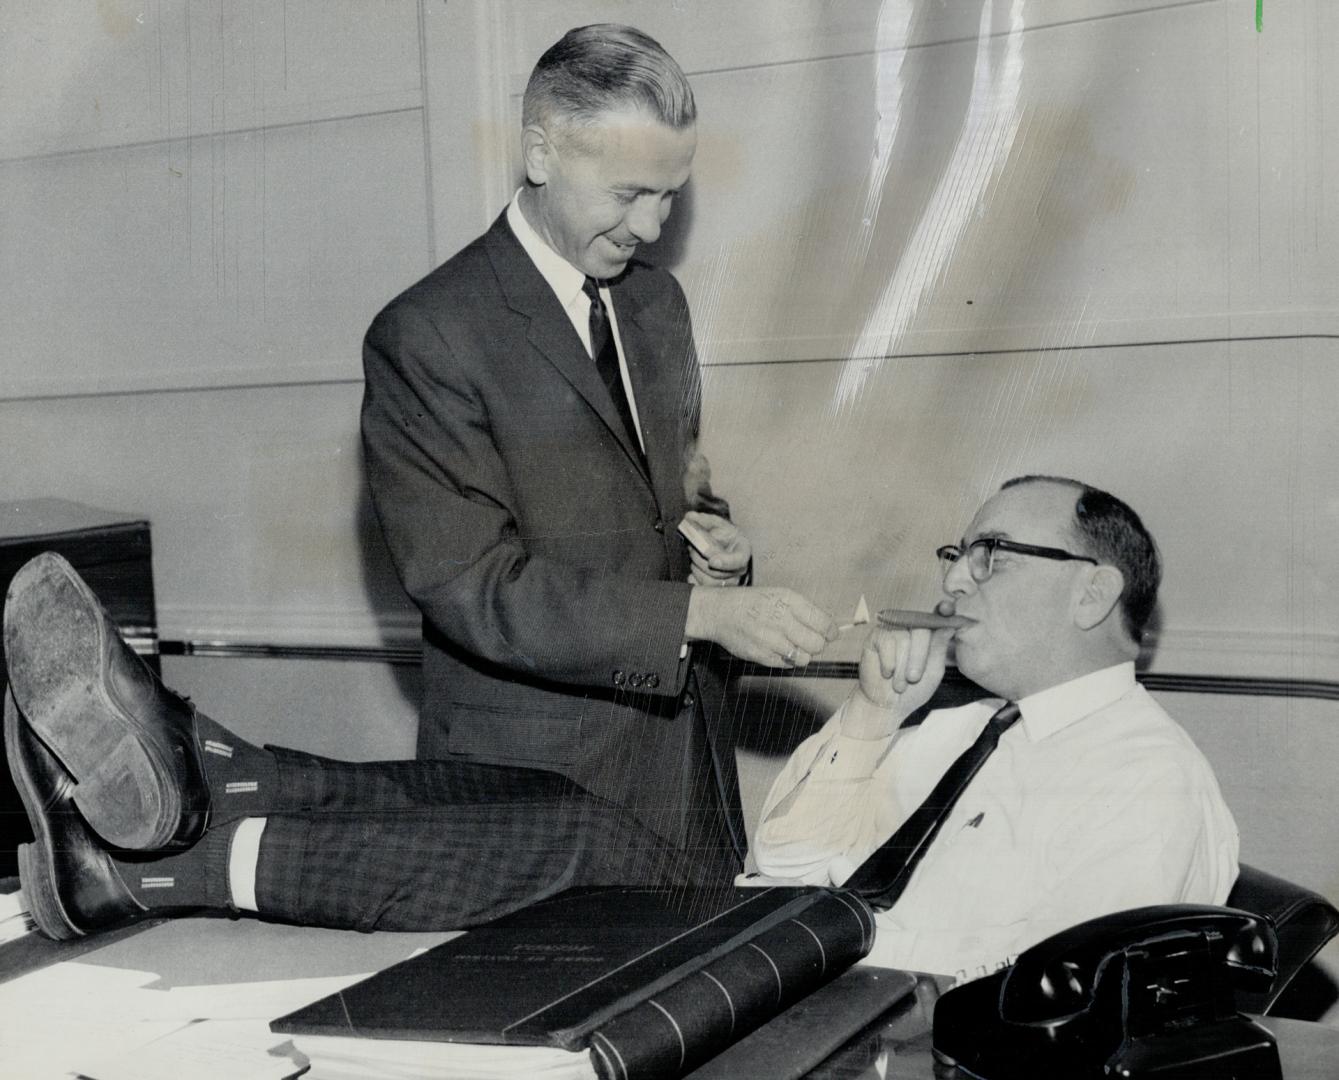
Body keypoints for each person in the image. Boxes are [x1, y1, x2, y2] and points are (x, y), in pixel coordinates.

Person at [359, 23, 835, 882]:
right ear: (541, 153)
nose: (650, 226)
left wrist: (717, 563)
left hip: (685, 780)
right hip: (534, 793)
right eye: (628, 193)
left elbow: (675, 498)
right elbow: (468, 585)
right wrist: (700, 617)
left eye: (670, 195)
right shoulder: (428, 334)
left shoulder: (658, 307)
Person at [4, 552, 702, 940]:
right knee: (550, 795)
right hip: (751, 895)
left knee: (589, 838)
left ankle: (160, 871)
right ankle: (230, 778)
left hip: (740, 924)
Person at [749, 475, 1239, 979]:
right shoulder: (957, 732)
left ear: (1092, 595)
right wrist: (872, 714)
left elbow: (1052, 981)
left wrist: (831, 950)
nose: (954, 580)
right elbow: (783, 868)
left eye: (992, 554)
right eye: (957, 555)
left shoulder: (1152, 780)